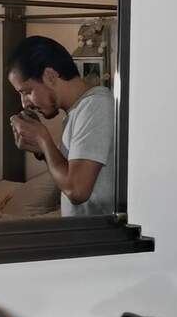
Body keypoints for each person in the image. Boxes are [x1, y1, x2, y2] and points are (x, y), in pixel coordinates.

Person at [7, 36, 114, 216]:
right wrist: (42, 151)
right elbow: (69, 175)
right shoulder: (77, 112)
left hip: (96, 233)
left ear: (50, 76)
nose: (25, 104)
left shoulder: (95, 106)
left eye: (27, 92)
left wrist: (43, 139)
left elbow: (77, 191)